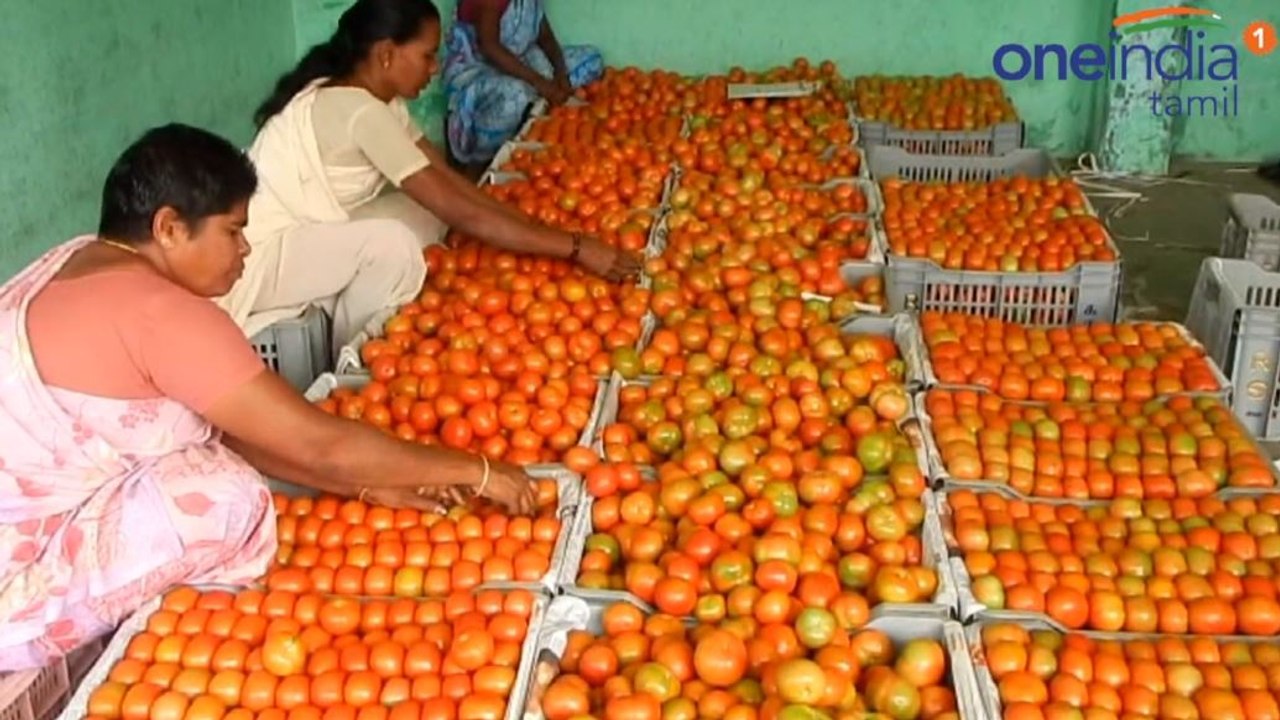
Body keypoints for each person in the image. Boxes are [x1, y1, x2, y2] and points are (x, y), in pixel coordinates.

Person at [0, 124, 536, 671]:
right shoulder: (161, 312)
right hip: (17, 578)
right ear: (169, 228)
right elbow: (318, 444)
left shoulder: (75, 265)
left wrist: (364, 483)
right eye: (233, 230)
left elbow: (235, 428)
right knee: (224, 495)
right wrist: (477, 471)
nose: (245, 248)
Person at [217, 0, 636, 350]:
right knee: (393, 244)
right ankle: (353, 352)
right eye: (427, 55)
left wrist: (533, 228)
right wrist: (575, 248)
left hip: (303, 232)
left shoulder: (381, 102)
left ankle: (363, 304)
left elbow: (447, 179)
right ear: (386, 54)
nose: (435, 69)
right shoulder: (359, 111)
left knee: (423, 213)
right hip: (254, 257)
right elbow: (459, 209)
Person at [443, 0, 603, 168]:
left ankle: (537, 115)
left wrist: (561, 73)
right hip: (480, 69)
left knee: (591, 59)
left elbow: (545, 38)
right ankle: (482, 156)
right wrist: (539, 82)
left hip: (522, 62)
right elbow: (489, 47)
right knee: (516, 96)